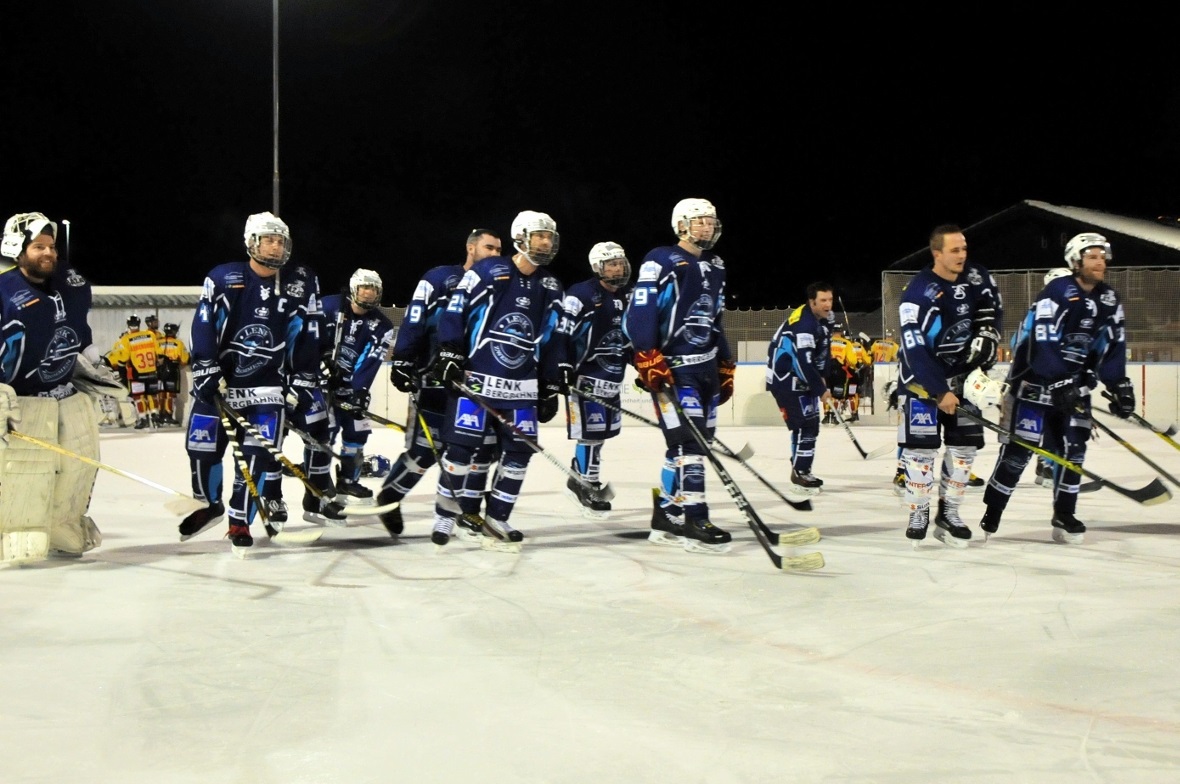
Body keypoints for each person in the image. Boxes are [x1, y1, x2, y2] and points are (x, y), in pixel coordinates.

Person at [178, 212, 328, 553]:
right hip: (220, 384)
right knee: (201, 451)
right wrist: (205, 367)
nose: (275, 247)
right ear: (251, 242)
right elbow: (204, 325)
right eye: (268, 240)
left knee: (258, 457)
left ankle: (238, 521)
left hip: (266, 389)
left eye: (280, 241)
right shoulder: (223, 277)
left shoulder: (301, 282)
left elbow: (306, 334)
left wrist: (302, 378)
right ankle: (210, 504)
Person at [979, 235, 1133, 544]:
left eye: (1102, 256)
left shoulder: (1108, 299)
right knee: (1020, 453)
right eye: (1092, 257)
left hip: (1073, 389)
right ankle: (993, 509)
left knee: (1074, 450)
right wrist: (1059, 379)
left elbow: (1112, 345)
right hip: (1035, 387)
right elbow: (1043, 341)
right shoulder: (1058, 292)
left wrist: (1119, 385)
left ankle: (1065, 514)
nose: (1100, 262)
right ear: (1076, 261)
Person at [427, 212, 567, 545]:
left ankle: (497, 517)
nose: (546, 243)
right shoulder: (490, 271)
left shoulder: (551, 285)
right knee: (460, 451)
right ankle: (445, 517)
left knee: (520, 454)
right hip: (478, 382)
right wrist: (450, 352)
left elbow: (553, 338)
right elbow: (455, 312)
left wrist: (549, 384)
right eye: (539, 236)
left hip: (521, 388)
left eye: (550, 237)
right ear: (521, 237)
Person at [624, 198, 735, 553]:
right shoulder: (661, 259)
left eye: (710, 221)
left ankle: (667, 513)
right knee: (690, 443)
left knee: (694, 440)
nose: (707, 227)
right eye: (700, 221)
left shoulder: (716, 265)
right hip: (674, 367)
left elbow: (716, 317)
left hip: (705, 368)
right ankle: (695, 517)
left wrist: (726, 362)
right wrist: (646, 354)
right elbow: (640, 308)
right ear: (682, 226)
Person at [377, 228, 503, 539]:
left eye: (500, 250)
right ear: (470, 248)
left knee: (480, 450)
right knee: (424, 450)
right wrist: (404, 359)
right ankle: (390, 497)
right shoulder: (440, 279)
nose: (496, 255)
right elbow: (415, 318)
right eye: (490, 248)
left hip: (480, 384)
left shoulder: (503, 284)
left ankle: (463, 510)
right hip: (436, 377)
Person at [0, 212, 109, 562]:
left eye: (51, 246)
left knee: (81, 463)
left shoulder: (70, 281)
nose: (48, 253)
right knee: (29, 472)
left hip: (66, 393)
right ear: (17, 250)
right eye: (38, 247)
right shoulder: (4, 293)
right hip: (25, 403)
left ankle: (65, 524)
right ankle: (19, 530)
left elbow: (80, 328)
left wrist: (93, 360)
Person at [896, 224, 1003, 548]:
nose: (962, 256)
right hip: (922, 386)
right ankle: (919, 512)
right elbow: (915, 350)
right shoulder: (916, 294)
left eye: (964, 249)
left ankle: (950, 513)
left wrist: (989, 333)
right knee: (920, 453)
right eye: (954, 250)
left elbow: (993, 311)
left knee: (964, 451)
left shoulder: (977, 276)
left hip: (966, 381)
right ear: (937, 253)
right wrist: (940, 391)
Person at [558, 241, 633, 518]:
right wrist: (563, 365)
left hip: (611, 379)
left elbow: (627, 338)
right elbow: (562, 332)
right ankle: (587, 484)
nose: (618, 268)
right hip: (585, 378)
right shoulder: (581, 294)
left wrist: (641, 363)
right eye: (611, 263)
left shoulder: (626, 296)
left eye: (620, 262)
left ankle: (578, 475)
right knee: (591, 435)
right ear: (597, 267)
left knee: (602, 436)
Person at [322, 269, 395, 498]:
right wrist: (319, 364)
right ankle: (320, 481)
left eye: (373, 289)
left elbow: (370, 361)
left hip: (349, 389)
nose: (369, 293)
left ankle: (348, 481)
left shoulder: (382, 325)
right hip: (320, 384)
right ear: (354, 288)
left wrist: (359, 391)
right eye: (365, 287)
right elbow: (310, 337)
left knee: (358, 431)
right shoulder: (328, 306)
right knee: (326, 432)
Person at [766, 281, 834, 494]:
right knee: (806, 425)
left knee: (809, 425)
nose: (828, 305)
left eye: (830, 299)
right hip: (786, 379)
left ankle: (801, 469)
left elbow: (823, 352)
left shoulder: (825, 319)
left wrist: (822, 378)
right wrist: (820, 389)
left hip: (802, 379)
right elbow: (804, 361)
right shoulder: (804, 325)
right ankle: (800, 472)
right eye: (823, 300)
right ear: (812, 302)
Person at [106, 313, 162, 428]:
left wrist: (120, 367)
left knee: (139, 397)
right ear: (139, 324)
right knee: (152, 395)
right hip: (152, 371)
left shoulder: (126, 339)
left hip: (137, 373)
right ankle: (155, 415)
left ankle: (143, 418)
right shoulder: (150, 335)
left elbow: (123, 358)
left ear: (128, 325)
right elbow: (159, 353)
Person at [156, 321, 190, 425]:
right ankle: (168, 415)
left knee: (160, 394)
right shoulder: (178, 343)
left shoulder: (157, 342)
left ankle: (160, 415)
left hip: (159, 372)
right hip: (172, 372)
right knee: (170, 394)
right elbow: (184, 360)